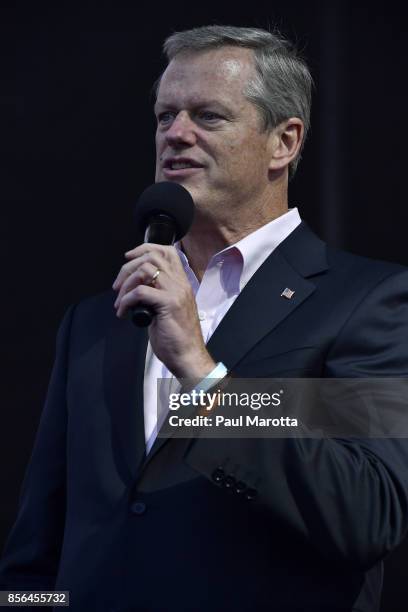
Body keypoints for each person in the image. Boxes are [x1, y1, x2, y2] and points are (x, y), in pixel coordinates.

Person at [1, 24, 408, 612]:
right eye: (166, 117)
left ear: (284, 142)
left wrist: (202, 373)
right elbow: (37, 549)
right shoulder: (98, 322)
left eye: (209, 117)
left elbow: (364, 513)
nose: (177, 135)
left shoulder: (367, 303)